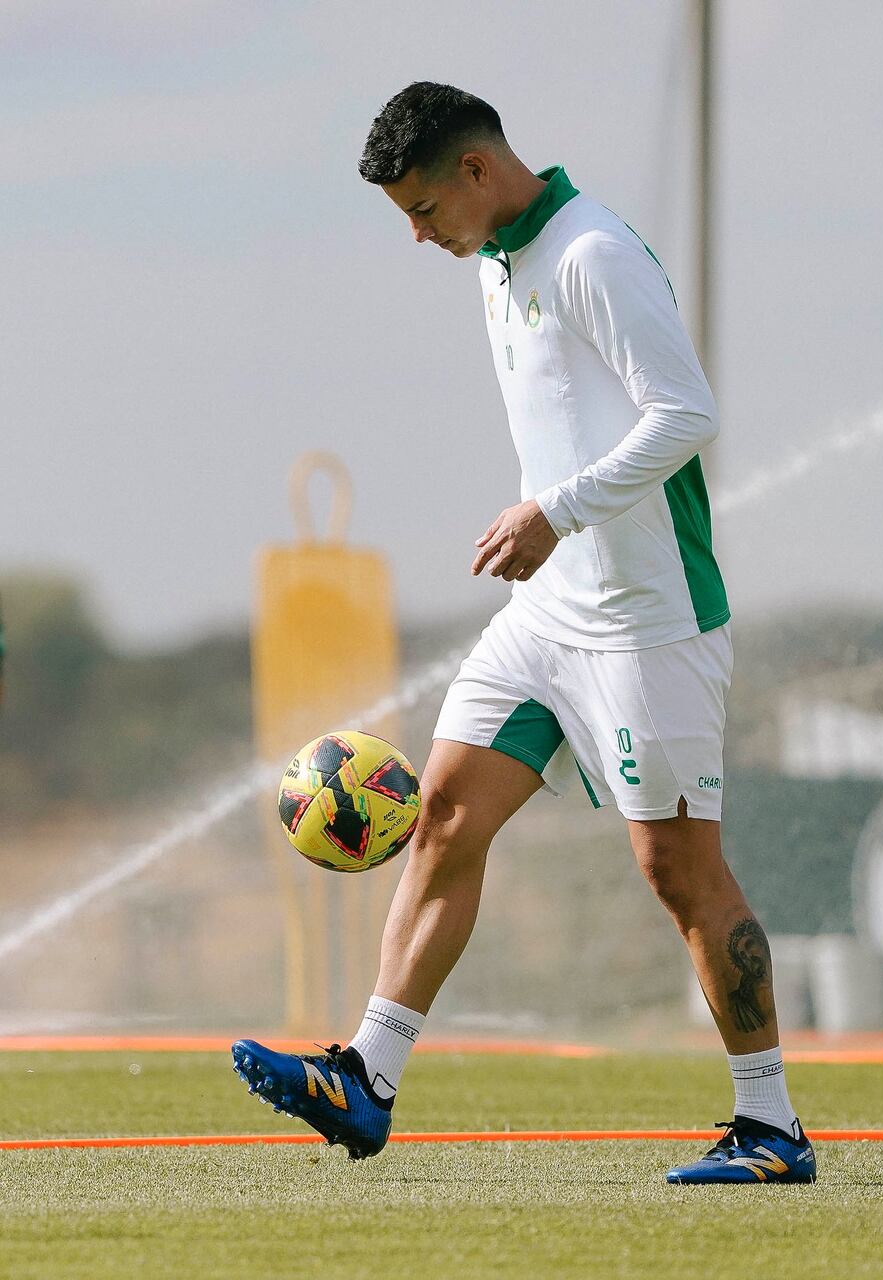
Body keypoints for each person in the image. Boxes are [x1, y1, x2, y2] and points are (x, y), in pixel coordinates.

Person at [232, 81, 814, 1186]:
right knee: (444, 812)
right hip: (543, 617)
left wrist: (555, 512)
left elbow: (687, 413)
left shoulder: (593, 253)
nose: (417, 237)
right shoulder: (495, 265)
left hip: (648, 624)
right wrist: (553, 527)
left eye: (422, 210)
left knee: (679, 871)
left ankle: (771, 1125)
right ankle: (367, 1077)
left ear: (476, 169)